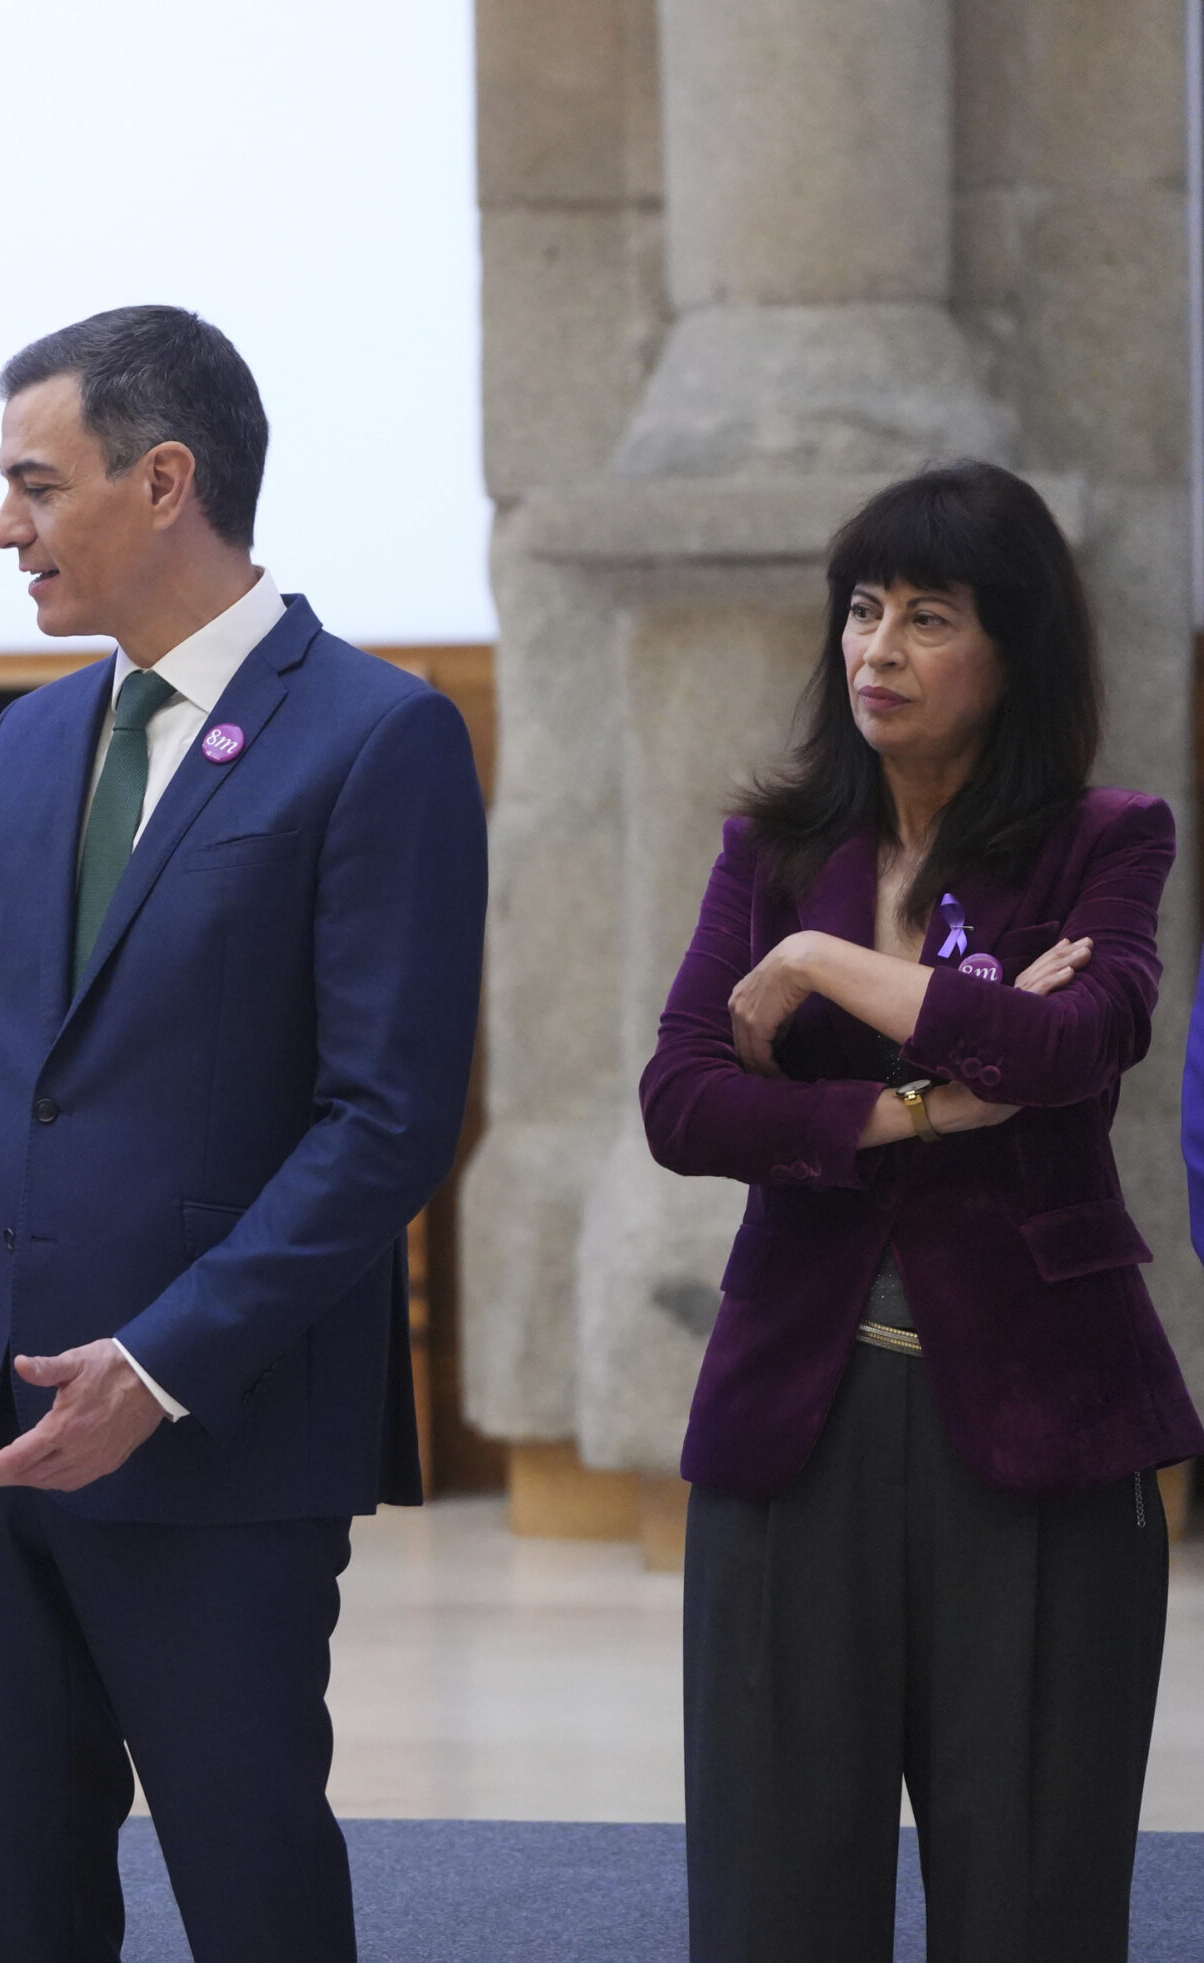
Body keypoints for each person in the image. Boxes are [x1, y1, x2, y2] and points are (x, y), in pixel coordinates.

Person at [0, 306, 487, 1960]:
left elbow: (385, 1125)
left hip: (216, 1445)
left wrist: (160, 1362)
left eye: (36, 484)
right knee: (22, 1913)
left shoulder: (379, 735)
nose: (6, 528)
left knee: (254, 1900)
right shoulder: (35, 742)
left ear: (163, 481)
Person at [640, 462, 1201, 1961]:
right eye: (864, 609)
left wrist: (820, 969)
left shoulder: (1107, 839)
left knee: (1030, 1899)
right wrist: (923, 1104)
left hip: (1042, 1427)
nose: (878, 649)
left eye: (930, 617)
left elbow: (1068, 1048)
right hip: (794, 1422)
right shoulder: (771, 850)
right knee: (773, 1900)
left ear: (1015, 649)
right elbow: (684, 1105)